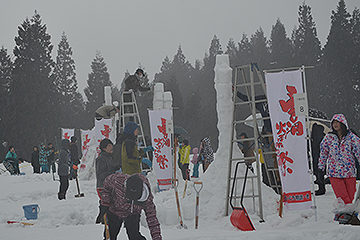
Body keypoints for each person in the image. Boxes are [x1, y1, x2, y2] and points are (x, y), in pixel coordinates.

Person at [99, 172, 162, 240]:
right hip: (115, 209)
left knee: (134, 236)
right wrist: (105, 202)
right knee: (110, 236)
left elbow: (152, 220)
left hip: (133, 213)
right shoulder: (118, 180)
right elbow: (106, 185)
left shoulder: (147, 199)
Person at [318, 114, 360, 206]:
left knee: (350, 196)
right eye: (334, 122)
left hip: (349, 172)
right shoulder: (328, 138)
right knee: (342, 197)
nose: (335, 124)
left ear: (343, 123)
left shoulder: (352, 137)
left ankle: (344, 214)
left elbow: (358, 151)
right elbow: (323, 153)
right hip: (334, 173)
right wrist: (321, 167)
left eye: (338, 122)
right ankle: (345, 216)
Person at [95, 138, 118, 224]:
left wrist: (115, 168)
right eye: (109, 146)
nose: (111, 147)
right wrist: (112, 173)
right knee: (105, 205)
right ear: (104, 148)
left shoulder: (109, 157)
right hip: (102, 186)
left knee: (106, 204)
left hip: (109, 185)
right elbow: (100, 173)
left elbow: (108, 169)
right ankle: (103, 221)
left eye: (111, 145)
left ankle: (103, 220)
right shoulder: (101, 159)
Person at [311, 123, 326, 196]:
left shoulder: (316, 137)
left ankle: (321, 188)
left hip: (317, 157)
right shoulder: (322, 137)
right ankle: (321, 186)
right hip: (319, 157)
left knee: (318, 172)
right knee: (319, 173)